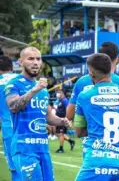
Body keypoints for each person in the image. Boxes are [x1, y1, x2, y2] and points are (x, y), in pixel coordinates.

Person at [74, 53, 119, 180]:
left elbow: (79, 131)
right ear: (110, 70)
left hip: (96, 162)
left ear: (91, 73)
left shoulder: (84, 96)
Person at [5, 47, 71, 181]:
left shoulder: (43, 90)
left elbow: (47, 116)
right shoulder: (13, 84)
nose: (35, 62)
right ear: (20, 62)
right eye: (31, 59)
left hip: (43, 148)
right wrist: (34, 90)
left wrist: (61, 121)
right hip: (24, 148)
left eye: (38, 59)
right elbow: (13, 106)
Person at [66, 41, 119, 121]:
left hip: (89, 132)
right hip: (118, 132)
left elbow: (69, 115)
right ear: (118, 60)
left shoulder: (82, 82)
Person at [0, 56, 19, 180]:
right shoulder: (21, 79)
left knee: (15, 169)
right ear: (12, 67)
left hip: (9, 130)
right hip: (27, 130)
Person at [55, 89, 75, 153]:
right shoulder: (60, 101)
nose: (57, 94)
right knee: (59, 133)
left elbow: (68, 109)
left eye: (59, 92)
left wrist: (68, 119)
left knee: (60, 134)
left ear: (62, 93)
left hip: (63, 120)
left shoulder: (65, 100)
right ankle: (71, 141)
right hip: (59, 120)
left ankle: (61, 149)